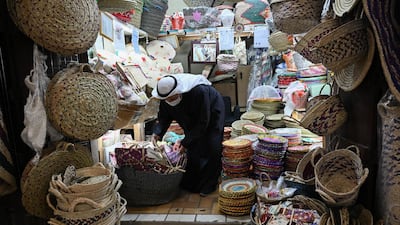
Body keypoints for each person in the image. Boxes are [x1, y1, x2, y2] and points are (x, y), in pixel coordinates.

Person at [151, 74, 225, 196]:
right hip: (191, 115)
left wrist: (185, 142)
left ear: (178, 91)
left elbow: (203, 122)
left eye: (171, 98)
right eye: (167, 99)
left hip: (212, 111)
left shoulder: (199, 91)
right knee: (193, 146)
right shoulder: (166, 100)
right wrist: (156, 134)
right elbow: (163, 118)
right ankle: (193, 181)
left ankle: (210, 183)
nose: (169, 101)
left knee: (212, 143)